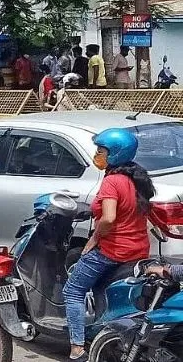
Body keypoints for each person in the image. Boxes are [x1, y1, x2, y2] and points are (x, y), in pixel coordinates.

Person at [63, 128, 154, 361]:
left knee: (73, 290)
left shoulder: (112, 181)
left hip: (111, 251)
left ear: (115, 154)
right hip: (138, 250)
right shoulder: (138, 178)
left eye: (101, 151)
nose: (97, 156)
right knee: (101, 288)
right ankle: (102, 333)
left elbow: (109, 218)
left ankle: (76, 349)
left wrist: (93, 240)